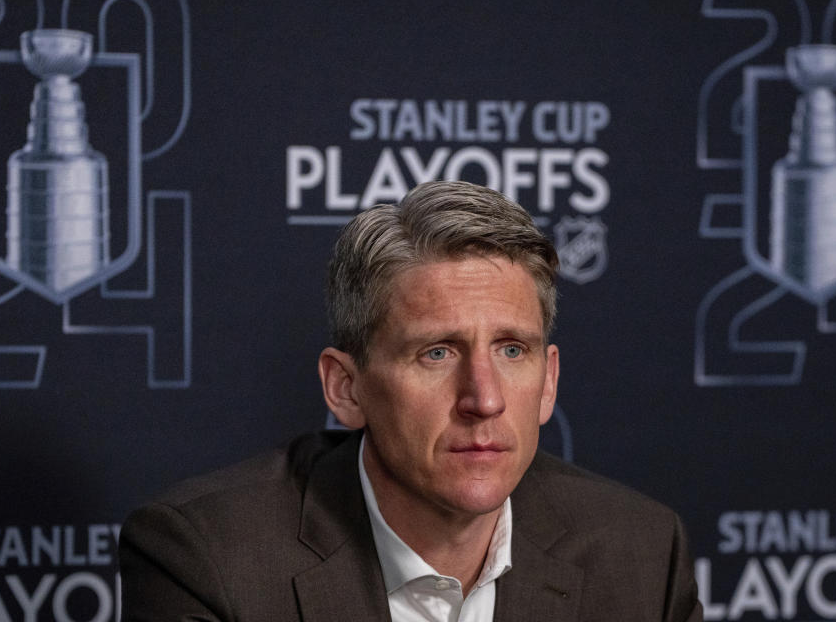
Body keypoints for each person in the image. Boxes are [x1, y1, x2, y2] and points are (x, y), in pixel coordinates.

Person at [118, 181, 702, 621]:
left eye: (511, 350)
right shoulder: (208, 560)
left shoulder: (642, 556)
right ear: (345, 388)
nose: (484, 399)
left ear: (548, 383)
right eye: (437, 353)